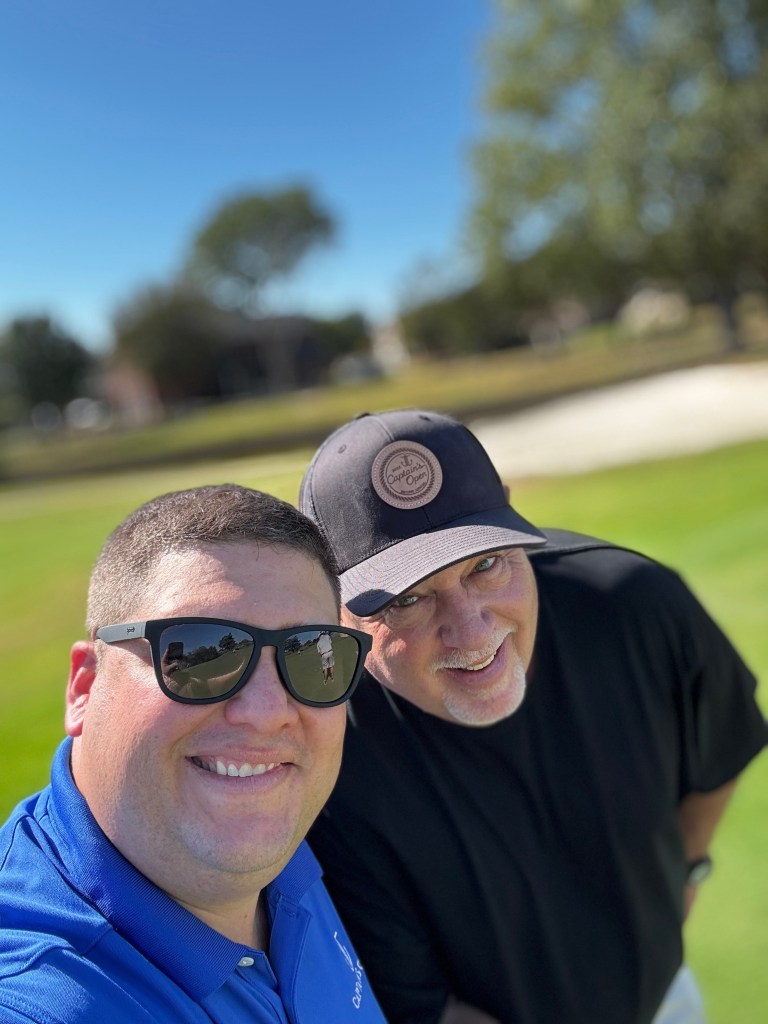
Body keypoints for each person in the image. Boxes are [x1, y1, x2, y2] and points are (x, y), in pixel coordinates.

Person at [298, 409, 767, 1024]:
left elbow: (720, 750)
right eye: (407, 598)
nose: (473, 633)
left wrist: (689, 868)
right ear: (334, 608)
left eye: (485, 564)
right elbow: (428, 1008)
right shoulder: (320, 750)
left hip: (667, 1001)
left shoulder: (633, 605)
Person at [0, 484, 385, 1024]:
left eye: (310, 655)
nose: (266, 712)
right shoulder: (35, 1002)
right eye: (200, 654)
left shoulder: (278, 844)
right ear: (84, 687)